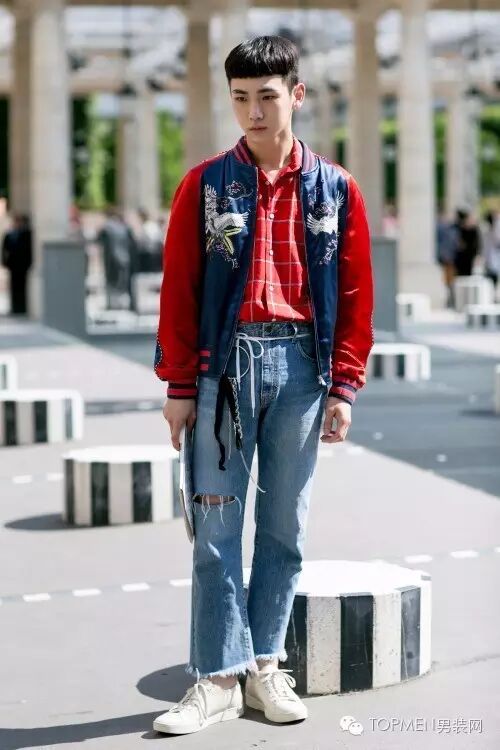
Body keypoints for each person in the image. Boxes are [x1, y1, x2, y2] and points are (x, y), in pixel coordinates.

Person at [153, 35, 374, 735]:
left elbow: (356, 293)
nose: (253, 111)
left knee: (284, 528)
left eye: (267, 96)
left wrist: (344, 386)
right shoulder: (204, 184)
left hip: (302, 372)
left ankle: (264, 666)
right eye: (241, 97)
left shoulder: (335, 189)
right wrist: (178, 385)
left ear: (296, 96)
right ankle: (217, 679)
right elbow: (179, 289)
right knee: (215, 529)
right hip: (222, 371)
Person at [96, 208, 138, 311]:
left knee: (111, 282)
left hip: (110, 259)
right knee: (125, 281)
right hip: (126, 257)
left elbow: (97, 240)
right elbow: (134, 243)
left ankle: (111, 305)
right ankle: (126, 305)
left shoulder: (106, 228)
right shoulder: (125, 227)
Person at [1, 213, 32, 315]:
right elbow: (4, 250)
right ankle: (15, 307)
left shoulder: (26, 234)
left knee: (22, 287)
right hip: (13, 265)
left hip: (23, 265)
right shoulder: (9, 235)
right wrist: (4, 262)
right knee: (14, 287)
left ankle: (22, 307)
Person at [436, 208, 460, 308]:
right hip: (448, 259)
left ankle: (452, 299)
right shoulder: (448, 230)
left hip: (450, 259)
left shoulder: (449, 230)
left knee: (450, 281)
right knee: (449, 281)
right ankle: (451, 299)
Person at [453, 208, 480, 277]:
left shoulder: (474, 230)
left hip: (469, 255)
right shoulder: (460, 229)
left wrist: (477, 255)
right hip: (461, 255)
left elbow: (477, 244)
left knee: (467, 273)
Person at [482, 211, 500, 291]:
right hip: (490, 261)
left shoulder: (491, 231)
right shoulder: (489, 231)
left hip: (492, 260)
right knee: (491, 280)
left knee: (492, 280)